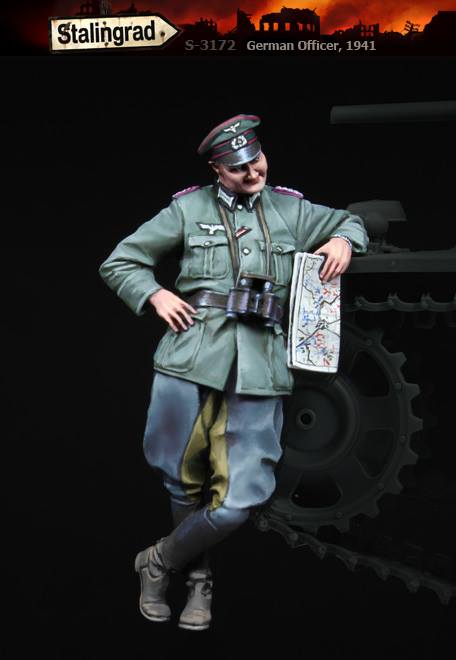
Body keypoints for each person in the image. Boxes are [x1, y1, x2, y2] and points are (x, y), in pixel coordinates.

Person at [99, 114, 369, 631]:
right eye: (239, 167)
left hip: (262, 366)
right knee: (180, 478)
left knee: (239, 498)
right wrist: (154, 294)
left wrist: (344, 240)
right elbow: (121, 262)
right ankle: (199, 581)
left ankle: (158, 561)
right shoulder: (189, 209)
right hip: (191, 356)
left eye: (257, 159)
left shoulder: (290, 208)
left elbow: (347, 221)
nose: (253, 172)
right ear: (217, 169)